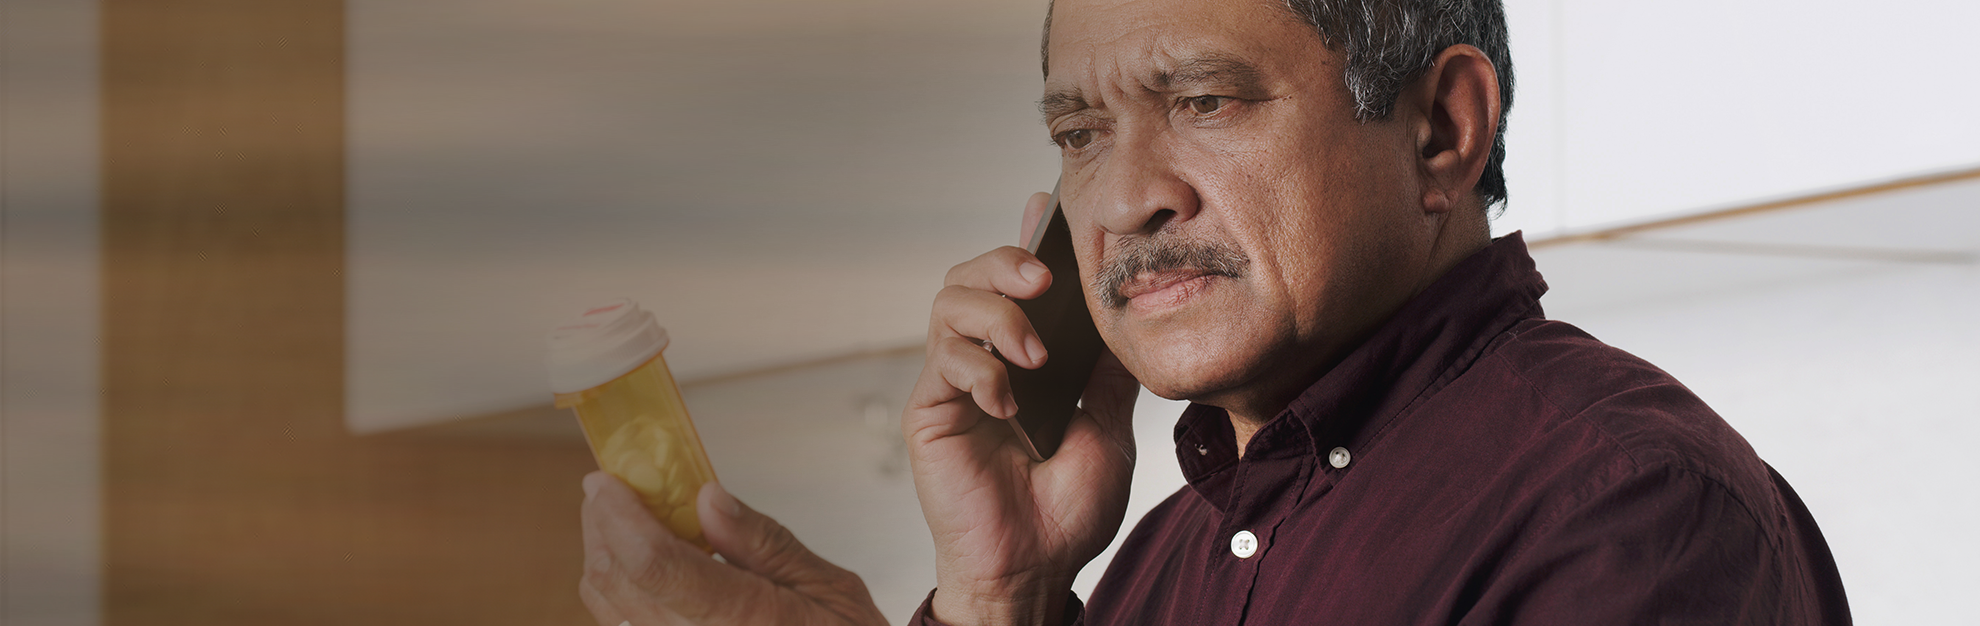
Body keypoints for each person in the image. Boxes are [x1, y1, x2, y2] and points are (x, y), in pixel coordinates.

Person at [576, 0, 1852, 623]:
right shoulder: (1162, 556)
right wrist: (998, 597)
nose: (1123, 199)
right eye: (1081, 132)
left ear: (1442, 128)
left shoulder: (1631, 512)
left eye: (1207, 103)